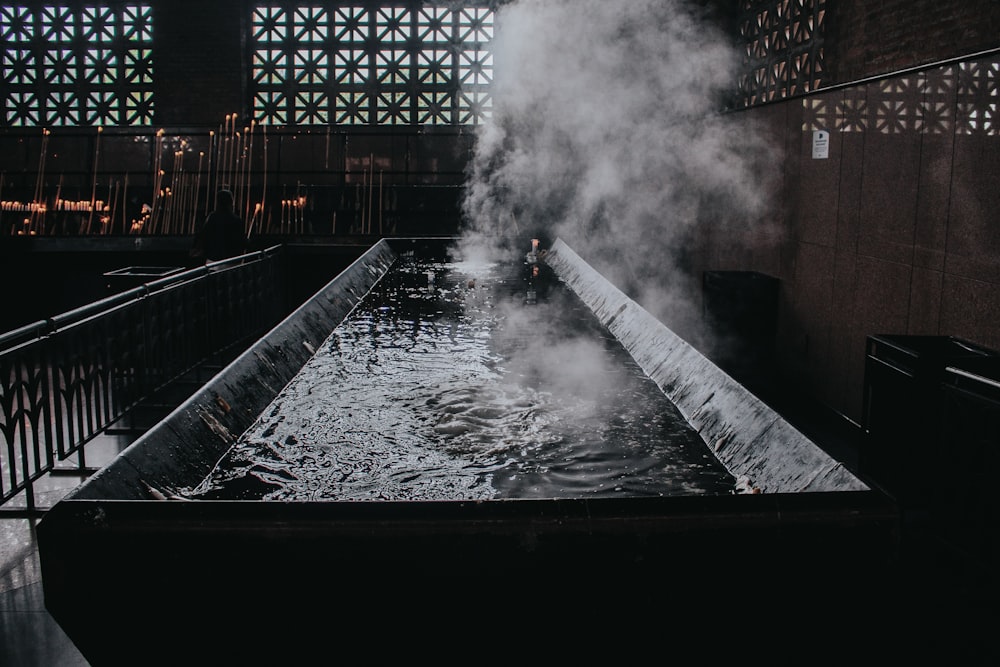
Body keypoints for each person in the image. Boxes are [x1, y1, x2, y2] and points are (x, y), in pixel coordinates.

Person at [191, 189, 246, 262]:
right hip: (231, 261)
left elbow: (204, 236)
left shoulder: (212, 218)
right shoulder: (236, 220)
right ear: (231, 202)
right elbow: (240, 241)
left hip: (213, 260)